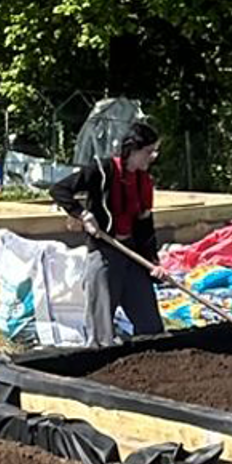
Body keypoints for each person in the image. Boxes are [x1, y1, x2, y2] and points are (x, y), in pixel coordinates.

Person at [49, 120, 167, 344]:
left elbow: (145, 226)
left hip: (132, 254)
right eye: (149, 151)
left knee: (151, 327)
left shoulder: (144, 182)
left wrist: (153, 261)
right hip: (104, 253)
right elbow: (59, 190)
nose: (153, 157)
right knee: (102, 331)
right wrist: (83, 215)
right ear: (133, 149)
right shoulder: (102, 171)